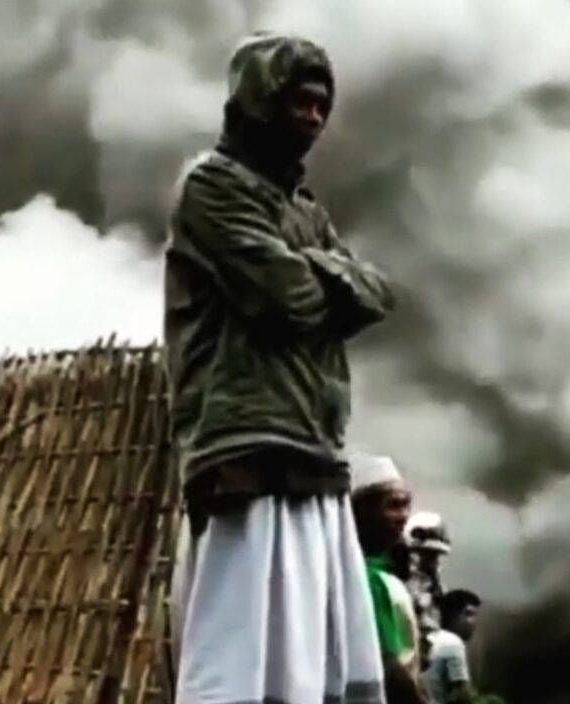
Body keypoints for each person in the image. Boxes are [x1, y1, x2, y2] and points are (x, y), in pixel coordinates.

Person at [164, 32, 395, 704]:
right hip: (247, 446)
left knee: (313, 653)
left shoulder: (305, 210)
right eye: (300, 102)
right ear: (260, 103)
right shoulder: (213, 188)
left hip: (313, 446)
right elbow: (286, 298)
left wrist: (325, 275)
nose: (314, 118)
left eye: (322, 105)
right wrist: (337, 280)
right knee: (246, 654)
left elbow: (381, 293)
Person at [351, 454, 428, 704]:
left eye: (406, 505)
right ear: (362, 511)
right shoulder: (366, 578)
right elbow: (388, 665)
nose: (404, 515)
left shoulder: (382, 574)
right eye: (393, 505)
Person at [405, 511, 451, 666]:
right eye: (428, 555)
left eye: (436, 555)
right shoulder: (404, 583)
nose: (434, 561)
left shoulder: (436, 585)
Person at [424, 590, 482, 704]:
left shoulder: (431, 638)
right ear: (454, 616)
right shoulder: (453, 643)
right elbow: (461, 694)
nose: (474, 622)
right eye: (469, 614)